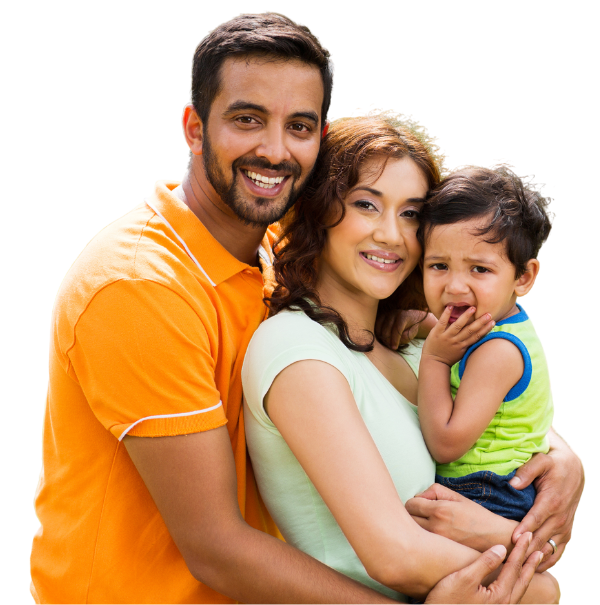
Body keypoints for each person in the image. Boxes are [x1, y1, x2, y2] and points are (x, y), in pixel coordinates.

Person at [30, 10, 582, 605]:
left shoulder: (276, 253)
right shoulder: (142, 287)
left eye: (299, 125)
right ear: (192, 127)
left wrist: (561, 458)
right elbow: (216, 544)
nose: (274, 150)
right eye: (247, 119)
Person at [241, 114, 565, 602]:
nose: (392, 235)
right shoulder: (296, 350)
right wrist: (531, 570)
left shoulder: (415, 342)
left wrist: (565, 460)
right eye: (366, 205)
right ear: (320, 211)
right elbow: (395, 555)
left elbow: (508, 418)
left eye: (412, 214)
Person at [416, 164, 555, 522]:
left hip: (488, 494)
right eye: (438, 266)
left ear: (524, 277)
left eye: (479, 269)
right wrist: (420, 323)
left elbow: (446, 445)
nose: (455, 286)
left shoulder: (498, 352)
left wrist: (434, 359)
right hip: (490, 489)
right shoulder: (494, 323)